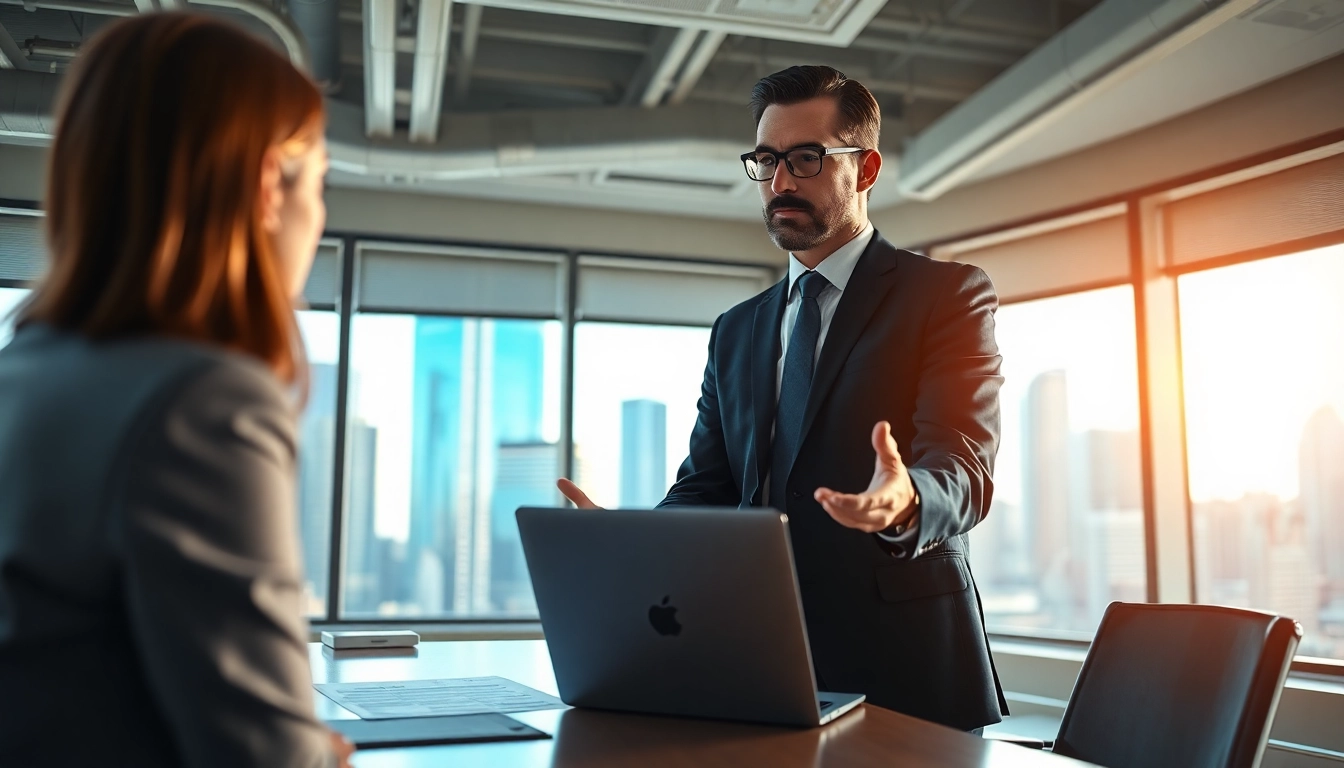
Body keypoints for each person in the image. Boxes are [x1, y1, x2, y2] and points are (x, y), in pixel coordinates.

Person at [558, 66, 1007, 731]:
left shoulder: (947, 296)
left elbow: (964, 468)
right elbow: (707, 486)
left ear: (867, 168)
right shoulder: (737, 330)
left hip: (906, 668)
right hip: (755, 659)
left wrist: (904, 500)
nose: (781, 183)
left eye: (806, 158)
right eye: (766, 161)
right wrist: (632, 543)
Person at [0, 13, 354, 767]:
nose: (318, 220)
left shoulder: (24, 371)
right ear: (267, 184)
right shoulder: (204, 401)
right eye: (319, 182)